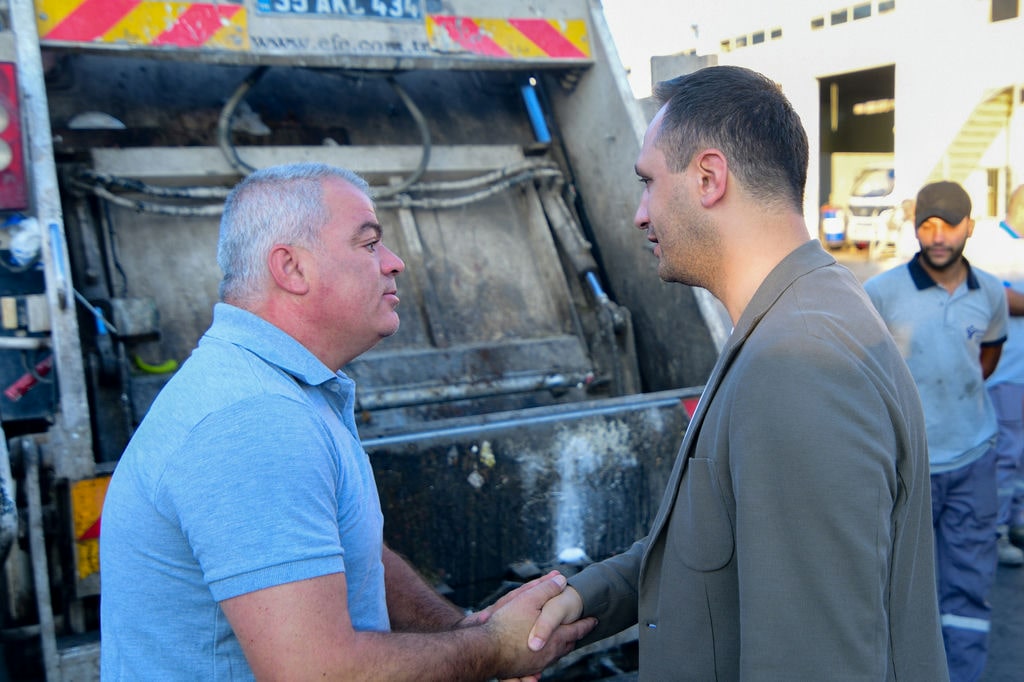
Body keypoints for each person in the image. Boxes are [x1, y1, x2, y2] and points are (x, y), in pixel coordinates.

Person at [526, 65, 948, 680]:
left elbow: (816, 663)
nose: (640, 214)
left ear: (708, 178)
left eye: (647, 183)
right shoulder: (797, 317)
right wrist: (589, 596)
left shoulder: (798, 361)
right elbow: (720, 550)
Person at [99, 163, 595, 680]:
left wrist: (467, 630)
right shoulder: (253, 420)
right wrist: (492, 650)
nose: (394, 262)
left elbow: (348, 555)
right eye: (368, 244)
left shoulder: (279, 389)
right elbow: (317, 672)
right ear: (291, 269)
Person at [863, 180, 1007, 682]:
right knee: (898, 584)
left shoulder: (989, 292)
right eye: (927, 225)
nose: (939, 236)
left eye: (950, 224)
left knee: (968, 588)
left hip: (973, 460)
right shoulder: (878, 294)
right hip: (906, 466)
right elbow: (864, 373)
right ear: (914, 228)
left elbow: (985, 359)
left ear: (970, 226)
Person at [985, 184, 1024, 565]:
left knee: (1020, 459)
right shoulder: (992, 244)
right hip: (1008, 373)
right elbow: (1003, 299)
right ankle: (994, 535)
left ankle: (1017, 524)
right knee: (1007, 456)